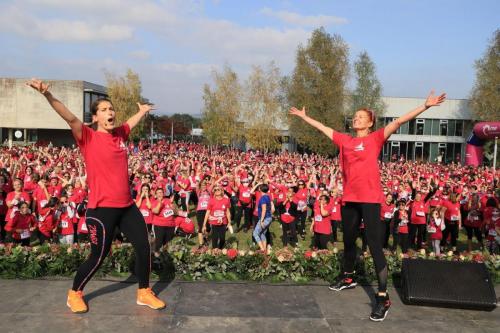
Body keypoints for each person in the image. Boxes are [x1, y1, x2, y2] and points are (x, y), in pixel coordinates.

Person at [290, 90, 446, 321]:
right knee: (350, 241)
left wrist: (425, 106)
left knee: (373, 246)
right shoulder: (345, 140)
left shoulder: (375, 138)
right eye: (354, 116)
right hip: (349, 199)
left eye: (361, 117)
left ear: (370, 122)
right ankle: (349, 276)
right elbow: (322, 128)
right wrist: (305, 118)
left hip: (371, 200)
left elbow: (401, 121)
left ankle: (383, 297)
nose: (356, 119)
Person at [27, 79, 165, 314]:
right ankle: (74, 293)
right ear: (95, 118)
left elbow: (129, 123)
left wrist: (141, 111)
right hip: (101, 209)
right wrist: (47, 94)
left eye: (111, 109)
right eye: (104, 110)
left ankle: (143, 291)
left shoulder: (119, 134)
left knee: (144, 247)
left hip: (127, 207)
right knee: (98, 255)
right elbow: (69, 118)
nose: (110, 112)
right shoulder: (88, 137)